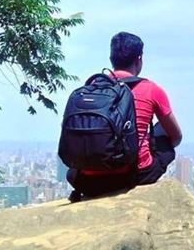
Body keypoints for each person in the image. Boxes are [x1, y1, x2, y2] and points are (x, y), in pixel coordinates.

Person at [66, 32, 182, 199]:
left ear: (111, 58)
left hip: (86, 181)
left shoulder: (92, 87)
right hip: (132, 176)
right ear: (139, 59)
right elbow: (176, 136)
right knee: (162, 129)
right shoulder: (151, 89)